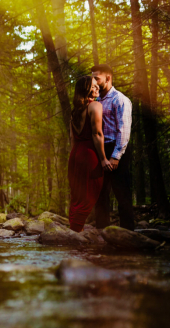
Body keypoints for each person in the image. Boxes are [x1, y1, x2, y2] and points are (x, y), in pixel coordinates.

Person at [91, 64, 134, 230]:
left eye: (97, 78)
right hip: (100, 150)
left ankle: (128, 233)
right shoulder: (96, 99)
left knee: (121, 192)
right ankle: (102, 231)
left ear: (108, 78)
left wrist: (116, 156)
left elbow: (124, 129)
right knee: (100, 193)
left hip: (117, 150)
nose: (93, 81)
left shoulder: (120, 100)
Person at [68, 76, 112, 232]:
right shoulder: (95, 106)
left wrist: (74, 159)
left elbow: (72, 138)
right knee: (89, 194)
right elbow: (97, 134)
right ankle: (75, 235)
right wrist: (104, 159)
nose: (97, 88)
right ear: (85, 90)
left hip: (75, 155)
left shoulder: (74, 112)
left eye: (97, 86)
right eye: (93, 86)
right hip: (89, 154)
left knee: (77, 196)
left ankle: (73, 231)